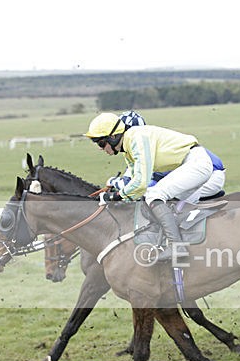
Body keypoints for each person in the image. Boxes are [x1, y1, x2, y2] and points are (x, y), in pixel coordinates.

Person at [84, 112, 226, 262]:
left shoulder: (136, 138)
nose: (101, 149)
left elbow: (141, 183)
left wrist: (115, 196)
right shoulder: (128, 148)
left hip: (196, 163)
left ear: (113, 137)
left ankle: (176, 246)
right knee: (166, 204)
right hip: (191, 163)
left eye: (101, 143)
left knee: (153, 194)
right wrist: (119, 192)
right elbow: (133, 182)